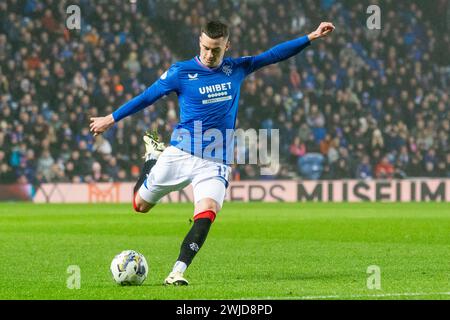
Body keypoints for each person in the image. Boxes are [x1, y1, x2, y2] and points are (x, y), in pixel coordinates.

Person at [89, 20, 335, 285]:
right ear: (199, 41)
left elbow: (273, 55)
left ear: (227, 46)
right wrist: (110, 119)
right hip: (180, 153)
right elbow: (146, 97)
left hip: (215, 162)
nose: (209, 54)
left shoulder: (236, 68)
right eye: (205, 48)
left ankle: (177, 272)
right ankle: (153, 157)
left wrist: (310, 37)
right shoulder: (180, 72)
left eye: (216, 50)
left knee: (206, 213)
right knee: (140, 206)